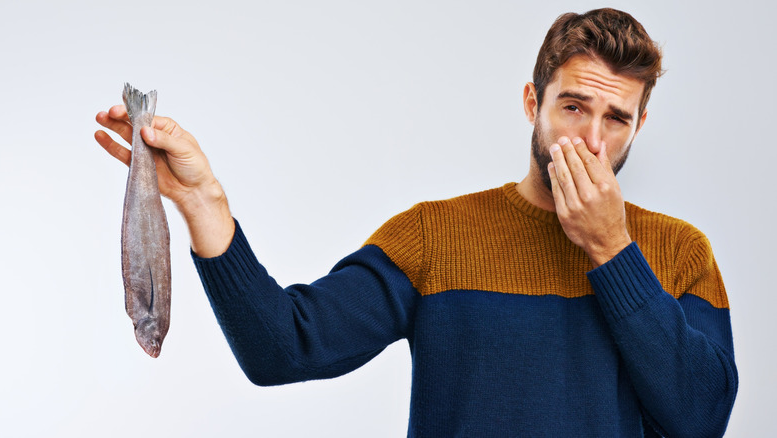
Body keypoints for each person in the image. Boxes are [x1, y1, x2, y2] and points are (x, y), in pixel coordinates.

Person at [95, 8, 737, 437]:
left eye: (616, 118)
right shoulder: (437, 235)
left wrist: (612, 249)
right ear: (531, 102)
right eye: (573, 106)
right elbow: (282, 348)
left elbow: (701, 416)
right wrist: (203, 200)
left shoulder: (680, 251)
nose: (592, 141)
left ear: (639, 125)